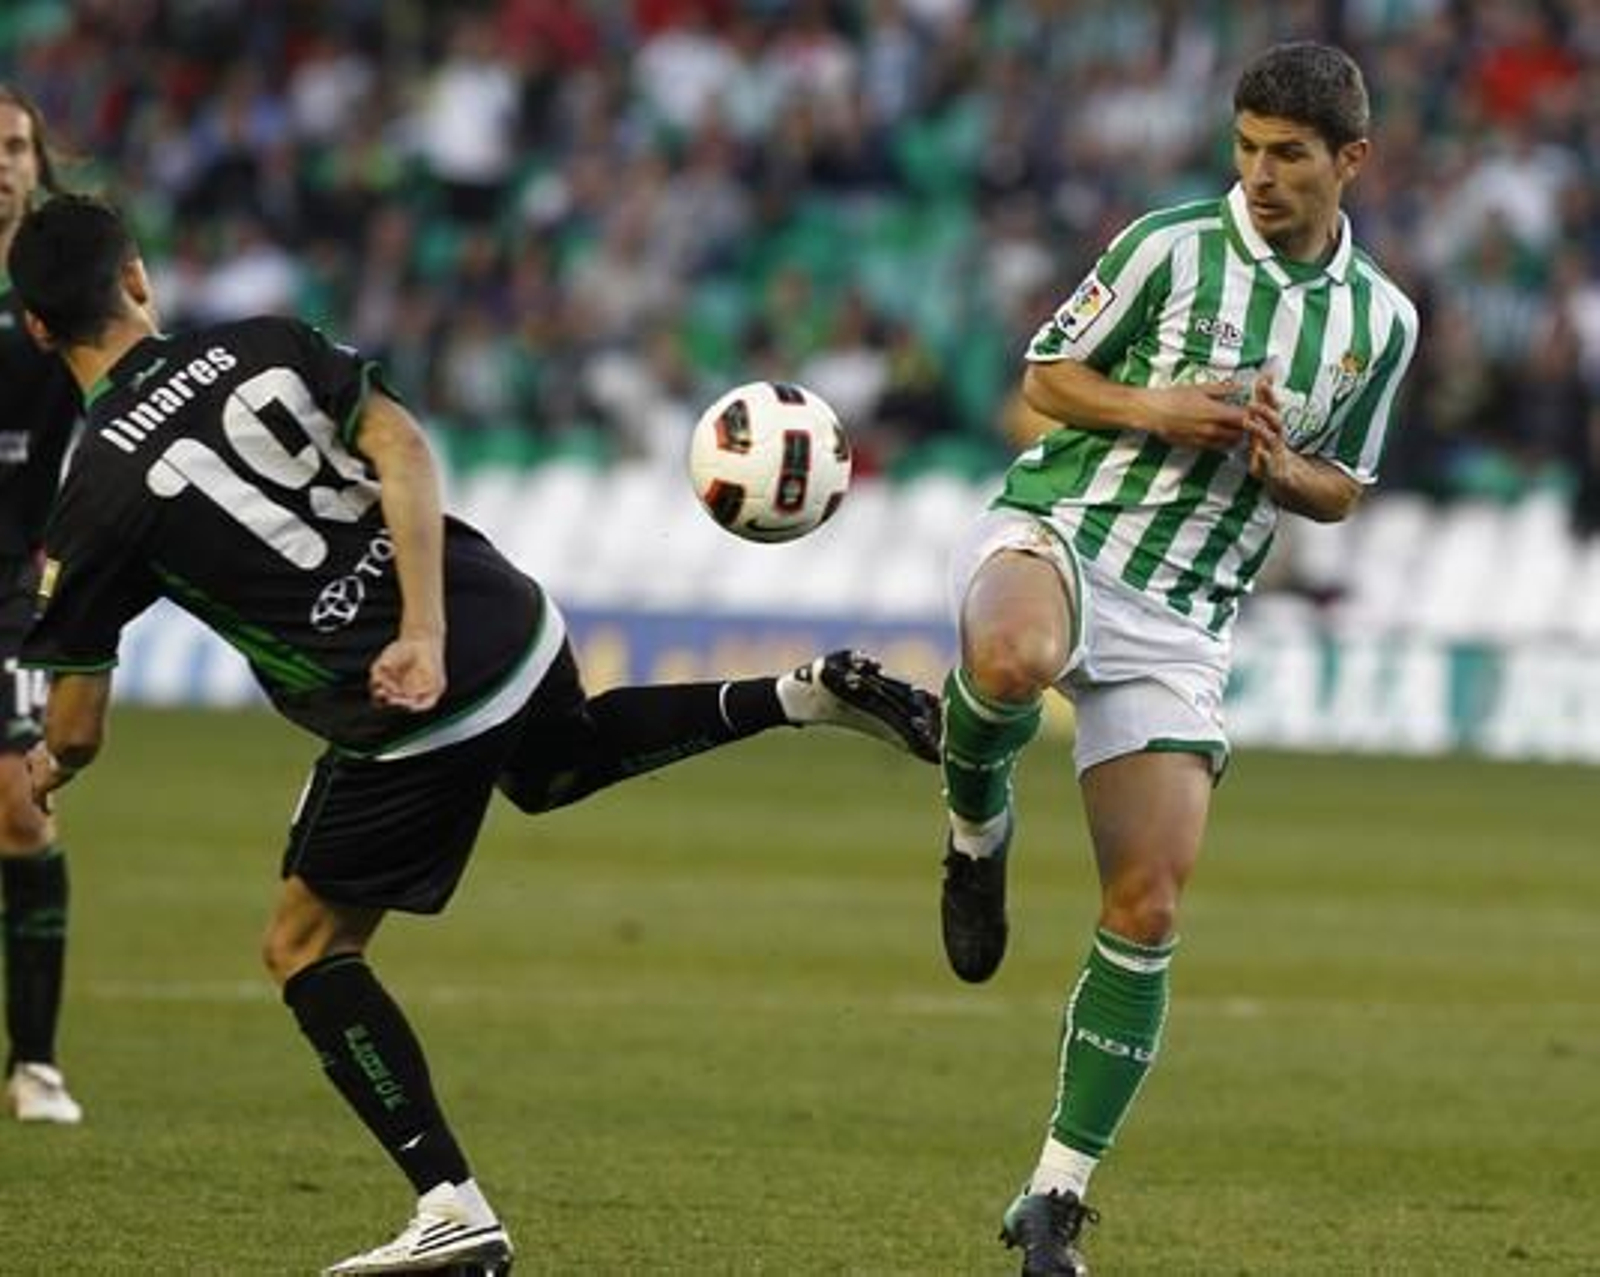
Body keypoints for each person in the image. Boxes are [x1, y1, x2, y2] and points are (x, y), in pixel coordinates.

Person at [8, 193, 941, 1274]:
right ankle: (801, 693)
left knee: (305, 949)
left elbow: (76, 723)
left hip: (405, 704)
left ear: (36, 328)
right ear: (137, 280)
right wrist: (434, 612)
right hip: (504, 607)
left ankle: (450, 1203)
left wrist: (48, 761)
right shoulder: (260, 341)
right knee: (556, 760)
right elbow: (401, 442)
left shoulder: (93, 501)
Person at [934, 43, 1419, 1275]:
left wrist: (1272, 462)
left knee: (1146, 903)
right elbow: (1045, 375)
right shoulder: (1168, 246)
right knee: (1009, 660)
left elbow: (1341, 488)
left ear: (1348, 161)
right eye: (1245, 148)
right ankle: (974, 824)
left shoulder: (1382, 322)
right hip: (1066, 531)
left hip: (1188, 612)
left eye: (1286, 155)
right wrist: (1162, 407)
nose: (1257, 175)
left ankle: (1054, 1193)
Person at [0, 84, 83, 1124]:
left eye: (16, 145)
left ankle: (35, 1065)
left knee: (19, 805)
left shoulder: (67, 276)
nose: (3, 161)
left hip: (14, 581)